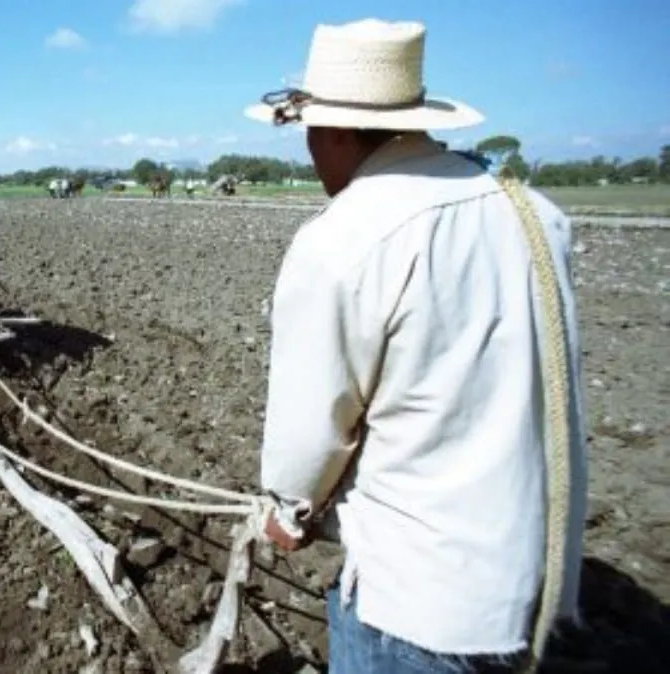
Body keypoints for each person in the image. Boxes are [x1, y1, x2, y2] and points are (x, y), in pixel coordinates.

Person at [243, 18, 589, 674]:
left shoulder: (344, 238)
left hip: (415, 603)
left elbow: (314, 426)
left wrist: (289, 508)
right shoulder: (536, 214)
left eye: (309, 132)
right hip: (534, 592)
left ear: (334, 131)